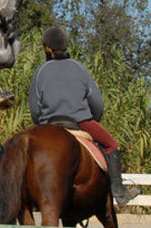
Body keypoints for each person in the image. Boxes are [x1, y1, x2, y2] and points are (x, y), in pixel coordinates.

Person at [29, 26, 141, 207]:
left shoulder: (40, 71)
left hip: (49, 125)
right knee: (112, 145)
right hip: (80, 123)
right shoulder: (80, 69)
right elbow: (97, 104)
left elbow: (35, 110)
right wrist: (92, 119)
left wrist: (42, 124)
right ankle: (119, 192)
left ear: (47, 48)